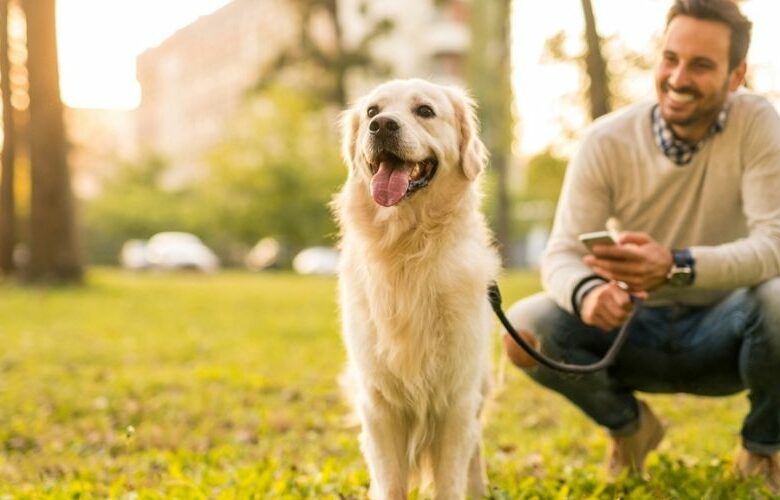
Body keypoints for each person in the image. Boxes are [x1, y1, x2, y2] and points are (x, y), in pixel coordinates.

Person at [504, 0, 780, 491]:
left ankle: (761, 450)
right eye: (670, 58)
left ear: (736, 76)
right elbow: (560, 255)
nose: (677, 77)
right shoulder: (605, 141)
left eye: (701, 65)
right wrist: (589, 292)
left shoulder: (758, 125)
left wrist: (678, 264)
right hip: (632, 331)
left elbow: (774, 246)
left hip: (728, 332)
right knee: (525, 329)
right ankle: (630, 428)